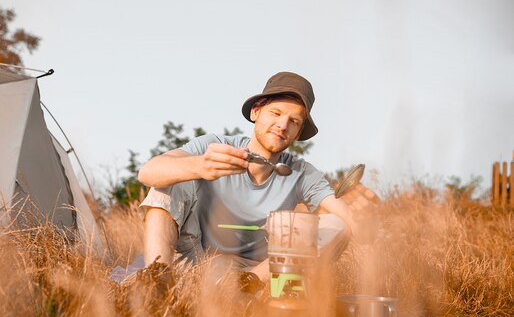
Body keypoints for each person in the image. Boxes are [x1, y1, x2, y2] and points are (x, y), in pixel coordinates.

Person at [137, 72, 371, 285]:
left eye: (294, 121)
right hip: (197, 265)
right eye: (276, 113)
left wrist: (362, 218)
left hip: (260, 275)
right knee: (169, 180)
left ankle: (246, 289)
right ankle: (157, 283)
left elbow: (344, 219)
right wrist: (198, 166)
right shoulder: (214, 146)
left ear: (298, 133)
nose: (282, 125)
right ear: (256, 111)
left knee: (337, 225)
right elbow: (147, 172)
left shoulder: (301, 173)